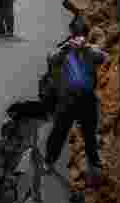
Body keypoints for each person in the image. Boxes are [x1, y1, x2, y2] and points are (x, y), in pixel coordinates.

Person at [44, 23, 109, 188]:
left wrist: (88, 47)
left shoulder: (90, 52)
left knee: (89, 134)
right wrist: (65, 48)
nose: (78, 39)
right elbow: (51, 59)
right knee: (59, 131)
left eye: (81, 37)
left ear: (85, 38)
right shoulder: (65, 52)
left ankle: (94, 163)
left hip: (87, 99)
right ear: (72, 37)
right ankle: (49, 160)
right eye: (76, 36)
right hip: (68, 99)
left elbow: (104, 57)